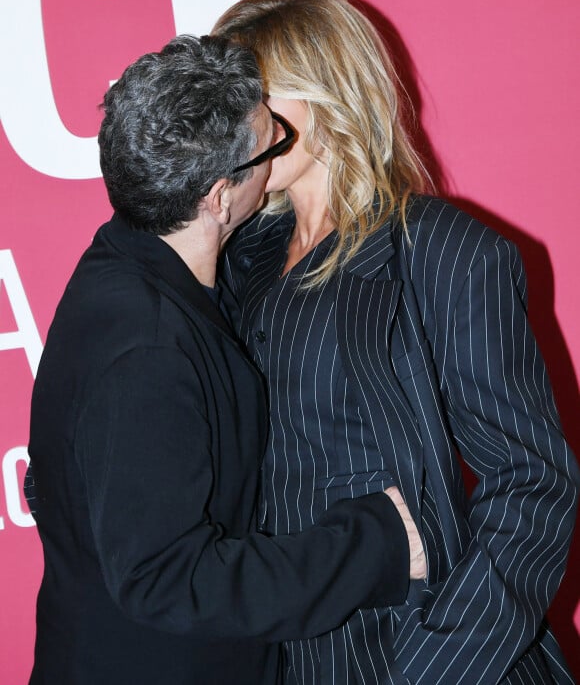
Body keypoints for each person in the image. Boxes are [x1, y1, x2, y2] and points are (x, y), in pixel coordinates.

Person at [24, 34, 427, 685]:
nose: (280, 155)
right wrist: (377, 543)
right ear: (218, 196)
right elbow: (170, 582)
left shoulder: (127, 263)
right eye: (272, 142)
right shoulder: (146, 347)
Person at [213, 0, 580, 684]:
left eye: (253, 97)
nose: (234, 126)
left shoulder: (441, 249)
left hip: (423, 645)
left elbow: (531, 481)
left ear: (324, 95)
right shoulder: (240, 264)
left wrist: (440, 662)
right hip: (290, 653)